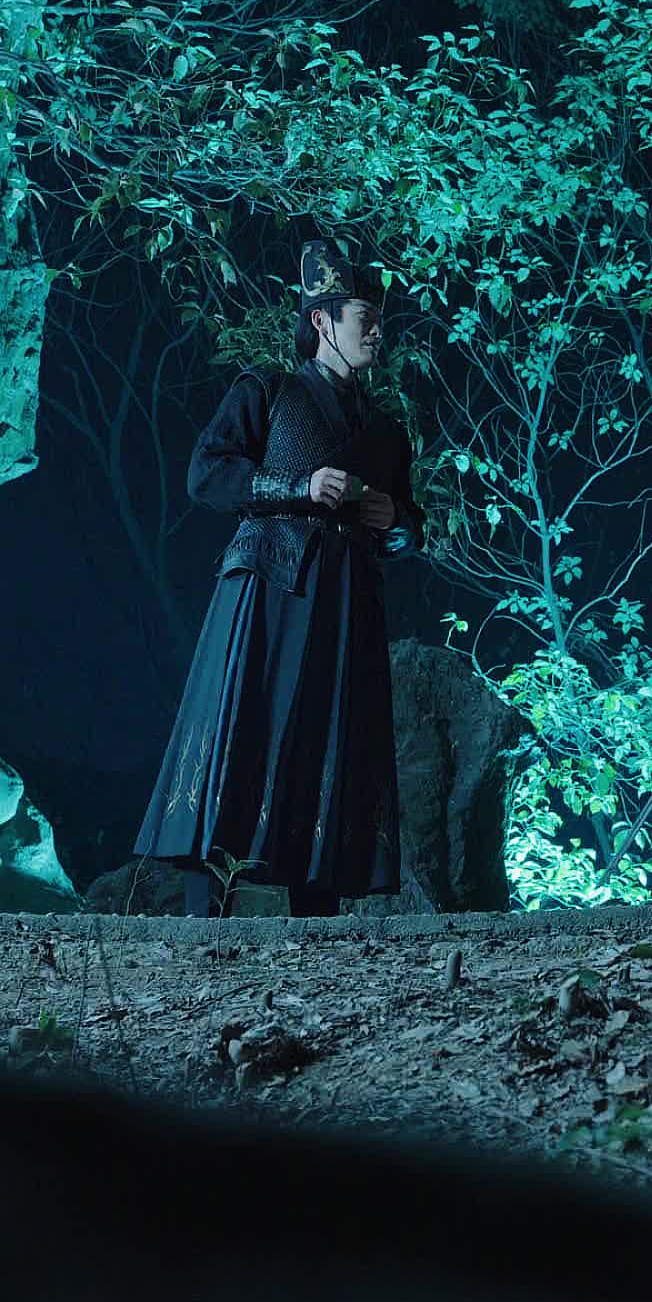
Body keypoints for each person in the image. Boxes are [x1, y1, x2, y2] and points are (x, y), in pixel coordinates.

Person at [135, 240, 424, 917]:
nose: (377, 332)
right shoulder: (267, 390)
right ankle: (207, 915)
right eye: (364, 318)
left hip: (347, 605)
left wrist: (395, 518)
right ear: (322, 320)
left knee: (330, 739)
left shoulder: (387, 432)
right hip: (270, 592)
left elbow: (410, 527)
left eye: (379, 320)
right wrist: (298, 486)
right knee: (246, 727)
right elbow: (206, 473)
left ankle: (317, 918)